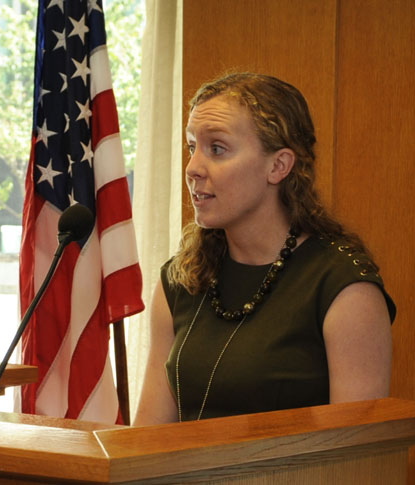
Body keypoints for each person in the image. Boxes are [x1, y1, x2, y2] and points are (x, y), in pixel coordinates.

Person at [133, 72, 396, 425]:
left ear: (278, 166)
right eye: (192, 146)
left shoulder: (344, 287)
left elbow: (355, 459)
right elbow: (148, 440)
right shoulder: (180, 279)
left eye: (217, 149)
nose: (193, 168)